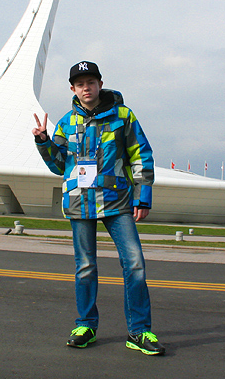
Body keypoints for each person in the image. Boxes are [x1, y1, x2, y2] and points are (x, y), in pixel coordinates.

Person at [32, 60, 164, 356]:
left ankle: (139, 330)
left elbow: (140, 153)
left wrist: (143, 196)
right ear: (73, 89)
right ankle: (85, 326)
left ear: (100, 84)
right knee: (85, 267)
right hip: (80, 203)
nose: (86, 88)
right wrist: (43, 142)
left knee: (134, 263)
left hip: (117, 201)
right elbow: (58, 165)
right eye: (80, 84)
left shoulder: (123, 115)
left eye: (90, 82)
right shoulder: (66, 123)